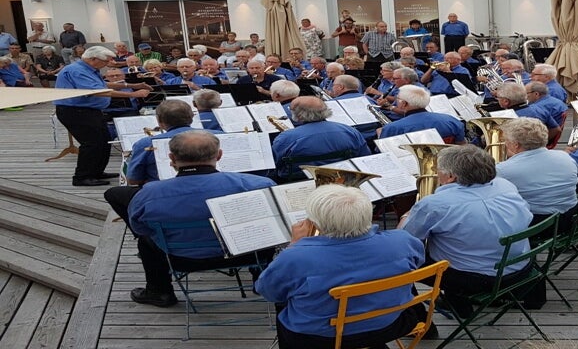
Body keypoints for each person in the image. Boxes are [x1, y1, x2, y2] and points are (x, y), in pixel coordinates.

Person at [256, 185, 425, 349]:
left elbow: (268, 291)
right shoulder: (403, 241)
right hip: (391, 323)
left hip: (321, 338)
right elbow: (418, 262)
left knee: (283, 303)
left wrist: (293, 245)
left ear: (317, 224)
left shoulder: (295, 257)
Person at [126, 131, 276, 307]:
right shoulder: (259, 185)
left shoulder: (148, 194)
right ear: (219, 155)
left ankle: (159, 292)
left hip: (180, 259)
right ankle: (262, 281)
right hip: (247, 255)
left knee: (146, 241)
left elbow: (139, 228)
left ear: (172, 158)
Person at [399, 145, 540, 314]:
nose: (436, 173)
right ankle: (455, 301)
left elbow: (404, 241)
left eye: (438, 170)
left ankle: (418, 317)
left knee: (398, 258)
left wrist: (407, 215)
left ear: (451, 176)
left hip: (474, 279)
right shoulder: (505, 185)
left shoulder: (434, 204)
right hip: (520, 268)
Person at [54, 46, 149, 186]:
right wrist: (132, 94)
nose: (108, 64)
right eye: (106, 61)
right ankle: (82, 177)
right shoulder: (77, 70)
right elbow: (98, 91)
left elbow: (102, 85)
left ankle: (96, 171)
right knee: (91, 142)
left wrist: (131, 85)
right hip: (76, 111)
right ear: (93, 59)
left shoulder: (89, 69)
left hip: (89, 110)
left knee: (104, 140)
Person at [496, 118, 578, 233]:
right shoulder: (566, 157)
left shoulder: (503, 170)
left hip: (536, 226)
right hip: (568, 220)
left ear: (515, 145)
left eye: (506, 140)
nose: (505, 143)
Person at [272, 96, 370, 181]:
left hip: (297, 181)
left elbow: (276, 164)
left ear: (299, 115)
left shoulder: (285, 138)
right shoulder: (350, 131)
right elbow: (364, 157)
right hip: (342, 178)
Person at [379, 85, 465, 142]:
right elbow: (461, 145)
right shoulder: (451, 120)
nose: (396, 100)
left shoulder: (392, 128)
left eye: (397, 98)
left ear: (404, 103)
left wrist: (381, 134)